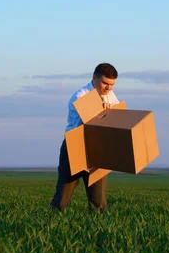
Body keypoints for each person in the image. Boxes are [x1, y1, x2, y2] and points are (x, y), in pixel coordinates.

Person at [49, 63, 120, 211]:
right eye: (105, 83)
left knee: (98, 203)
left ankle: (98, 230)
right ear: (94, 78)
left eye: (112, 85)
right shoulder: (80, 96)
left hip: (97, 149)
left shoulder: (110, 95)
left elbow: (117, 118)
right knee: (61, 200)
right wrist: (106, 115)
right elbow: (92, 123)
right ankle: (50, 225)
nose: (108, 88)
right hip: (75, 147)